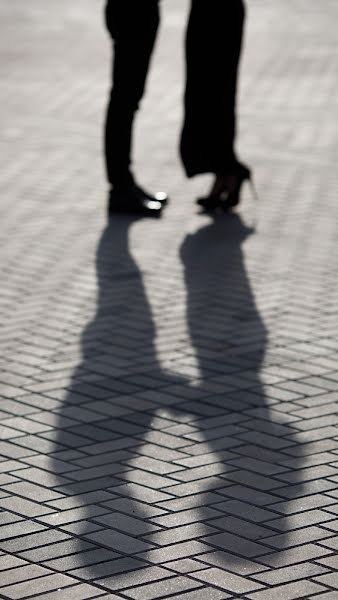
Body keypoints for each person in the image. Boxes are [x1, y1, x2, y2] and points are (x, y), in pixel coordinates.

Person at [105, 0, 250, 216]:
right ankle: (121, 187)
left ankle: (124, 185)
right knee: (125, 99)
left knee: (127, 99)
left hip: (139, 13)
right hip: (134, 12)